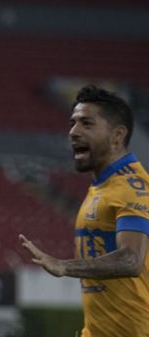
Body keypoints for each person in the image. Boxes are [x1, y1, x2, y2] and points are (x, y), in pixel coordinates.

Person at [20, 85, 149, 337]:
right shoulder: (101, 187)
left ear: (117, 135)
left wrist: (63, 266)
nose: (73, 132)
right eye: (72, 123)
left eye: (86, 124)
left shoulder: (132, 187)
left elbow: (131, 260)